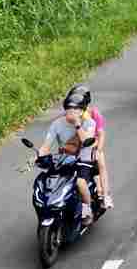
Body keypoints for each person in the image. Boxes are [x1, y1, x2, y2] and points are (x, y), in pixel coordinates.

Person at [39, 84, 110, 221]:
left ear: (82, 109)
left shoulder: (89, 122)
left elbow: (86, 140)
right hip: (65, 158)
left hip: (84, 158)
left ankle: (88, 208)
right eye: (69, 108)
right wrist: (37, 156)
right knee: (51, 180)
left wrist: (77, 124)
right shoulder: (56, 124)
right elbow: (46, 146)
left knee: (80, 182)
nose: (72, 111)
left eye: (76, 109)